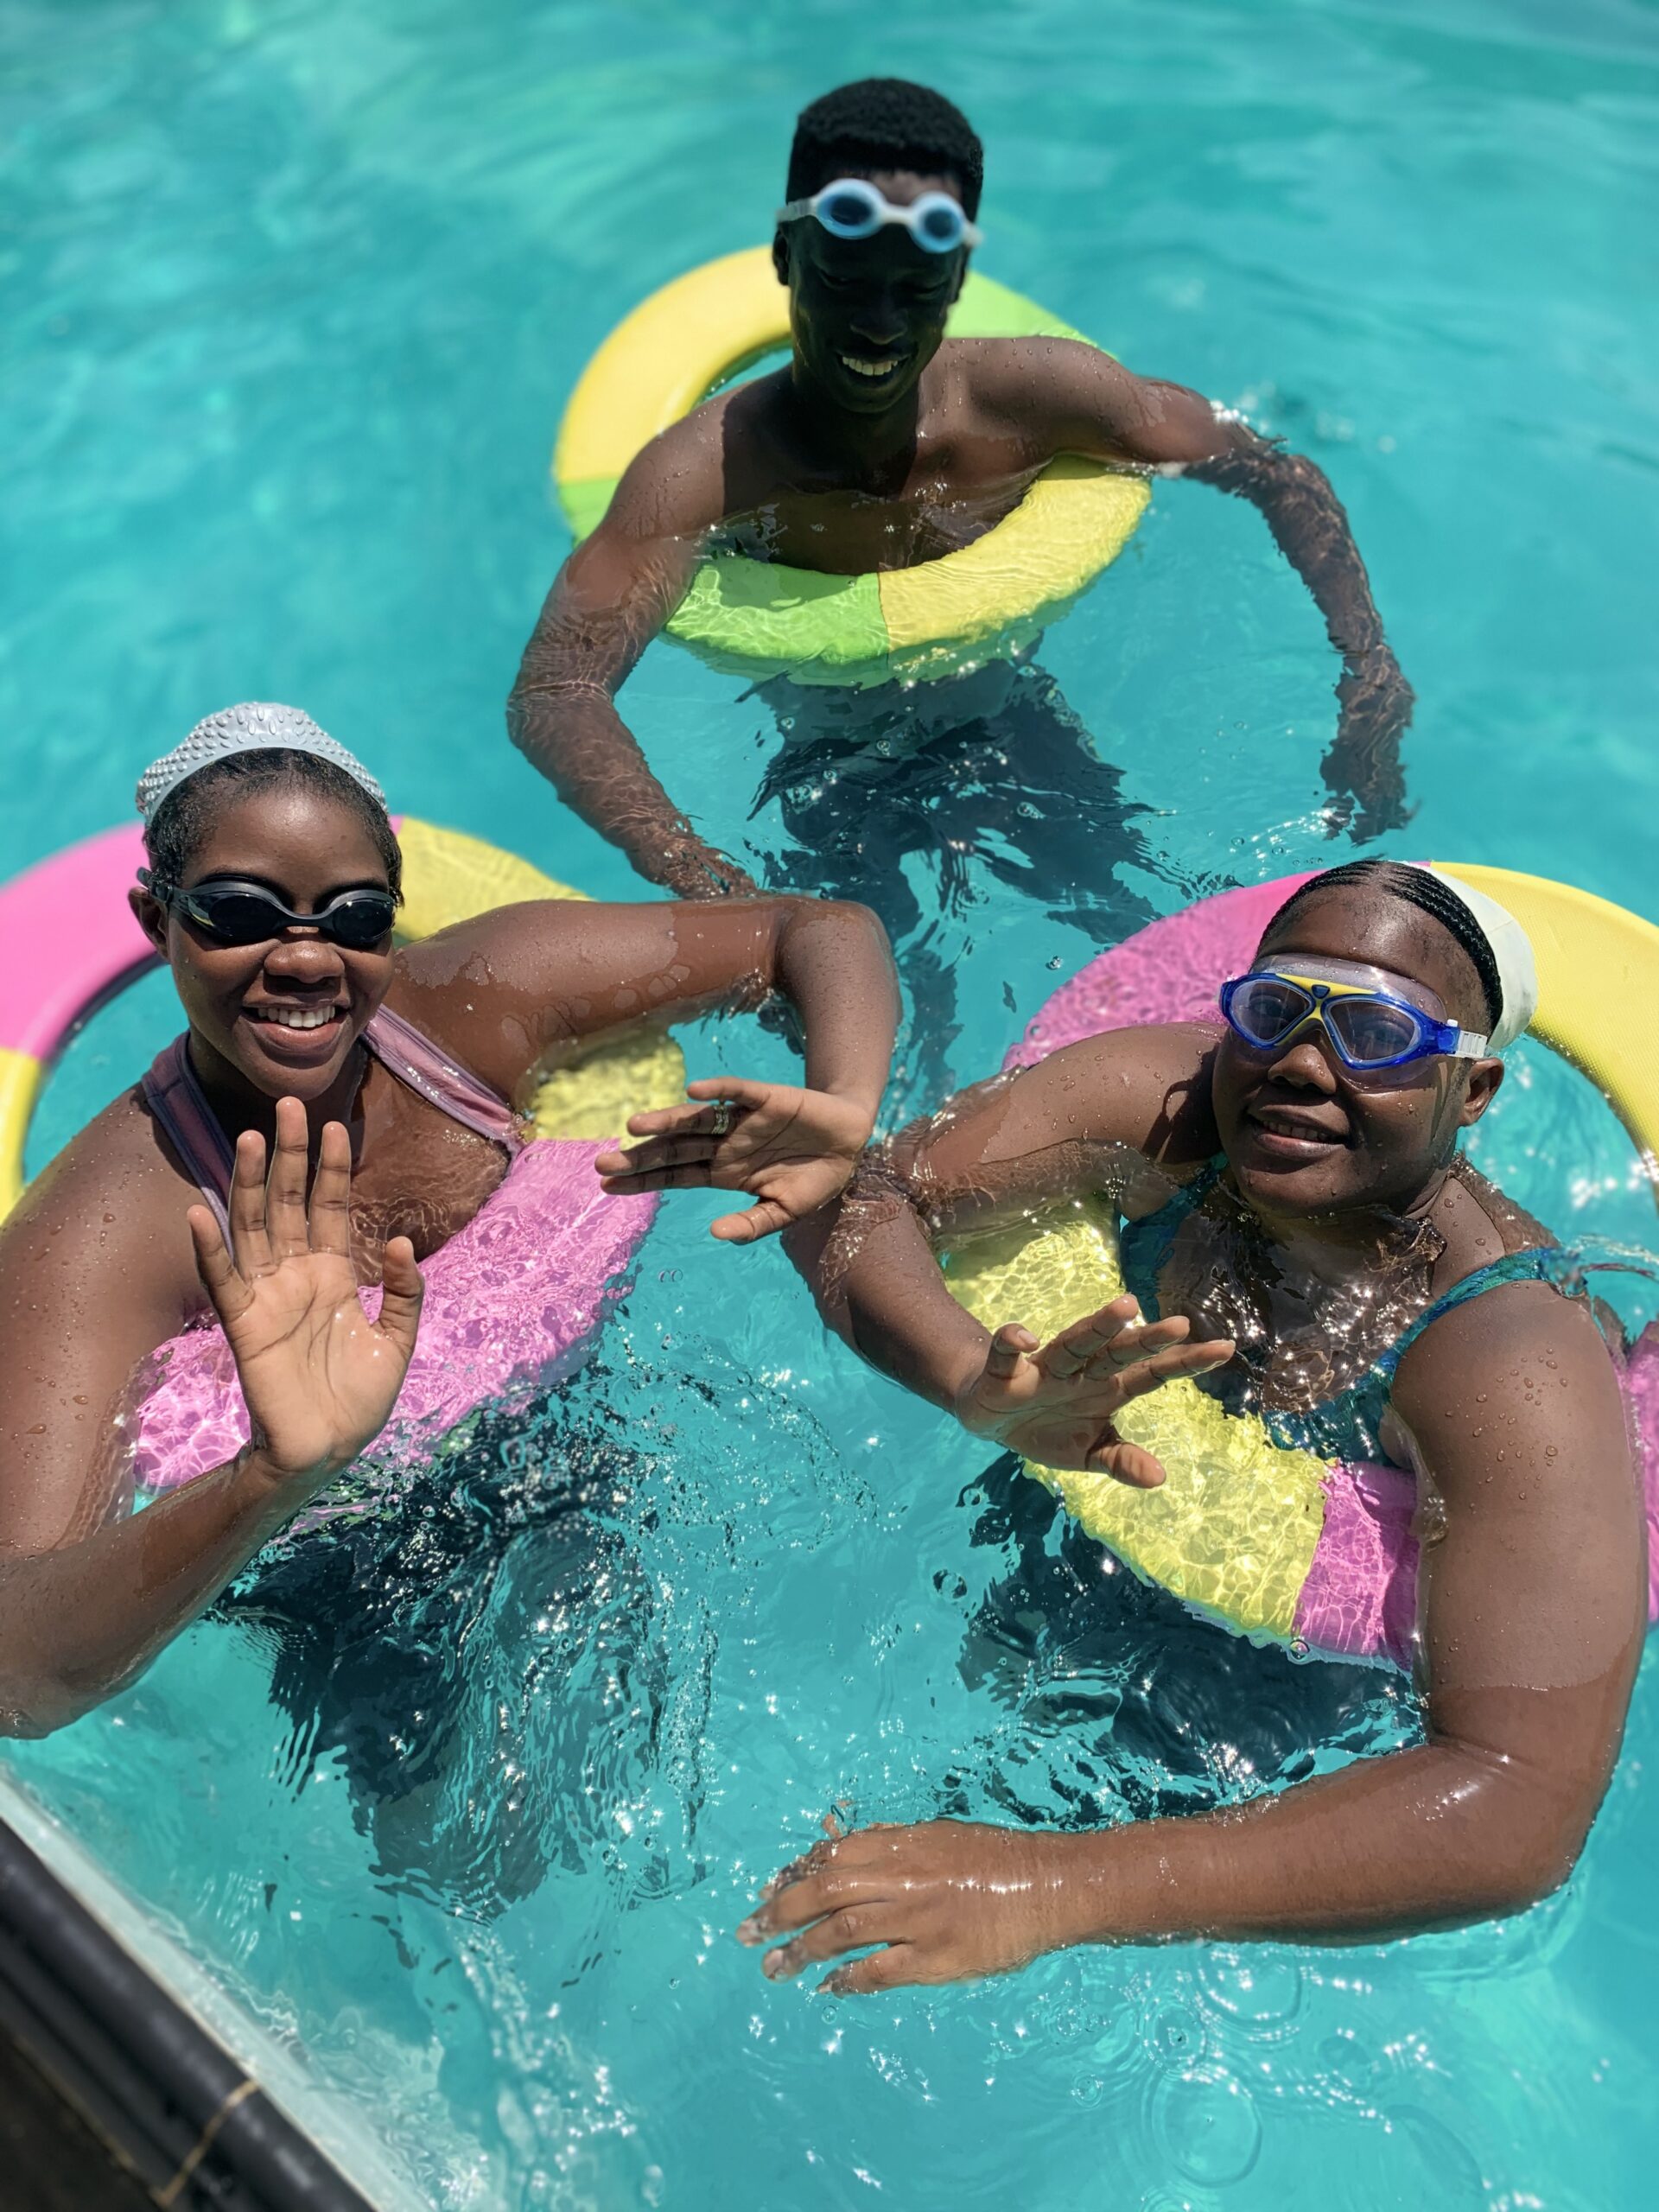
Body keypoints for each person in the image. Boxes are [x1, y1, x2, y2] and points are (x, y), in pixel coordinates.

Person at [736, 860, 1645, 1989]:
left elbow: (1518, 1804)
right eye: (1278, 1010)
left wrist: (1047, 1892)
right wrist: (971, 1380)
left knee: (1077, 1830)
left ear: (1472, 1092)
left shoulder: (1510, 1364)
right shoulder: (1165, 1106)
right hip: (1094, 1480)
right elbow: (857, 1193)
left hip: (1304, 1654)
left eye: (1376, 1033)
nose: (1305, 1064)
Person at [0, 702, 897, 1738]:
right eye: (241, 912)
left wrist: (845, 1101)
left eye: (353, 918)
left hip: (559, 1425)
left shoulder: (481, 997)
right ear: (154, 919)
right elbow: (17, 1667)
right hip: (334, 1560)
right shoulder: (107, 1230)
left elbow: (820, 930)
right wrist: (271, 1478)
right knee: (465, 1857)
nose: (305, 958)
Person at [508, 79, 1414, 1082]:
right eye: (848, 279)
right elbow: (557, 688)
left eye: (914, 284)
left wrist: (1369, 673)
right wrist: (702, 878)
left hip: (1004, 713)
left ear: (957, 276)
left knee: (1151, 957)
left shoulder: (1040, 398)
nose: (879, 323)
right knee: (867, 1047)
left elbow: (1271, 470)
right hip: (825, 762)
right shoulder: (705, 474)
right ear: (784, 257)